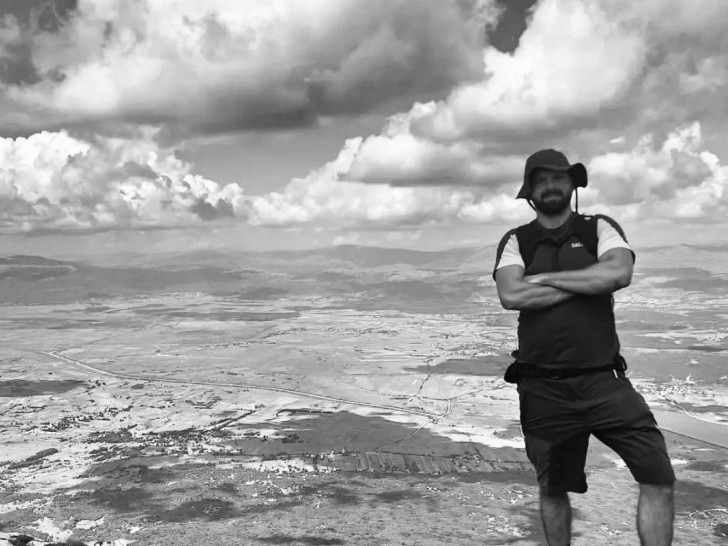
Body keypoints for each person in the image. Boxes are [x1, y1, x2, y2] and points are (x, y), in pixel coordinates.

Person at [492, 149, 675, 546]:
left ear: (573, 185)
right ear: (529, 192)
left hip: (604, 380)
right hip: (543, 388)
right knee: (553, 489)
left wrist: (542, 279)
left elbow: (619, 272)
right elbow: (511, 295)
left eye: (559, 177)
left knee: (658, 475)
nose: (550, 185)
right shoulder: (517, 240)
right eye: (541, 180)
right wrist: (587, 281)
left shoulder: (599, 227)